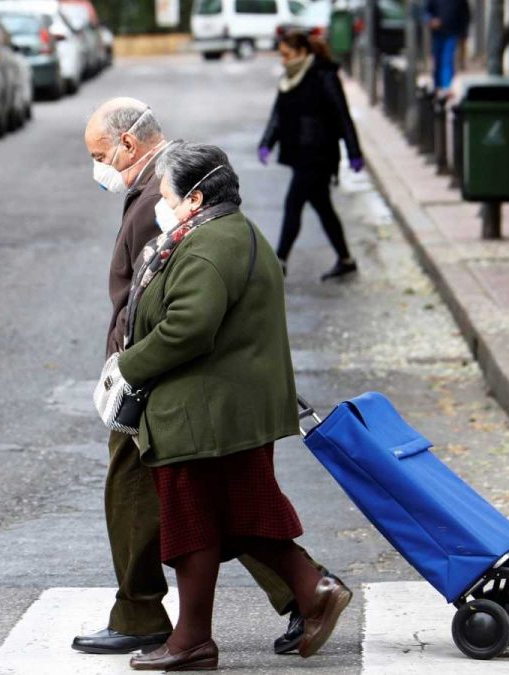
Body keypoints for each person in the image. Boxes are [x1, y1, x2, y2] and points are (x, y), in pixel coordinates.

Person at [78, 100, 333, 658]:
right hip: (204, 398)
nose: (99, 168)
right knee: (223, 511)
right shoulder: (208, 221)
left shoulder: (190, 226)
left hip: (194, 399)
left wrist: (127, 364)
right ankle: (298, 593)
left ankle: (179, 622)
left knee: (199, 513)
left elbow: (183, 321)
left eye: (101, 155)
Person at [259, 31, 365, 281]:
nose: (283, 60)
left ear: (302, 52)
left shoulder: (324, 76)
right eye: (281, 55)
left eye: (287, 55)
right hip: (300, 152)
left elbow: (342, 116)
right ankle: (346, 259)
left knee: (293, 203)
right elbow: (278, 114)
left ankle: (280, 260)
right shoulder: (290, 78)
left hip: (319, 153)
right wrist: (267, 142)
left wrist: (354, 152)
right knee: (323, 207)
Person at [425, 0, 472, 91]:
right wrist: (431, 20)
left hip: (452, 32)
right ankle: (437, 86)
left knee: (447, 60)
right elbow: (427, 11)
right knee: (438, 60)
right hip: (437, 33)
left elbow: (465, 14)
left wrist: (463, 33)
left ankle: (446, 88)